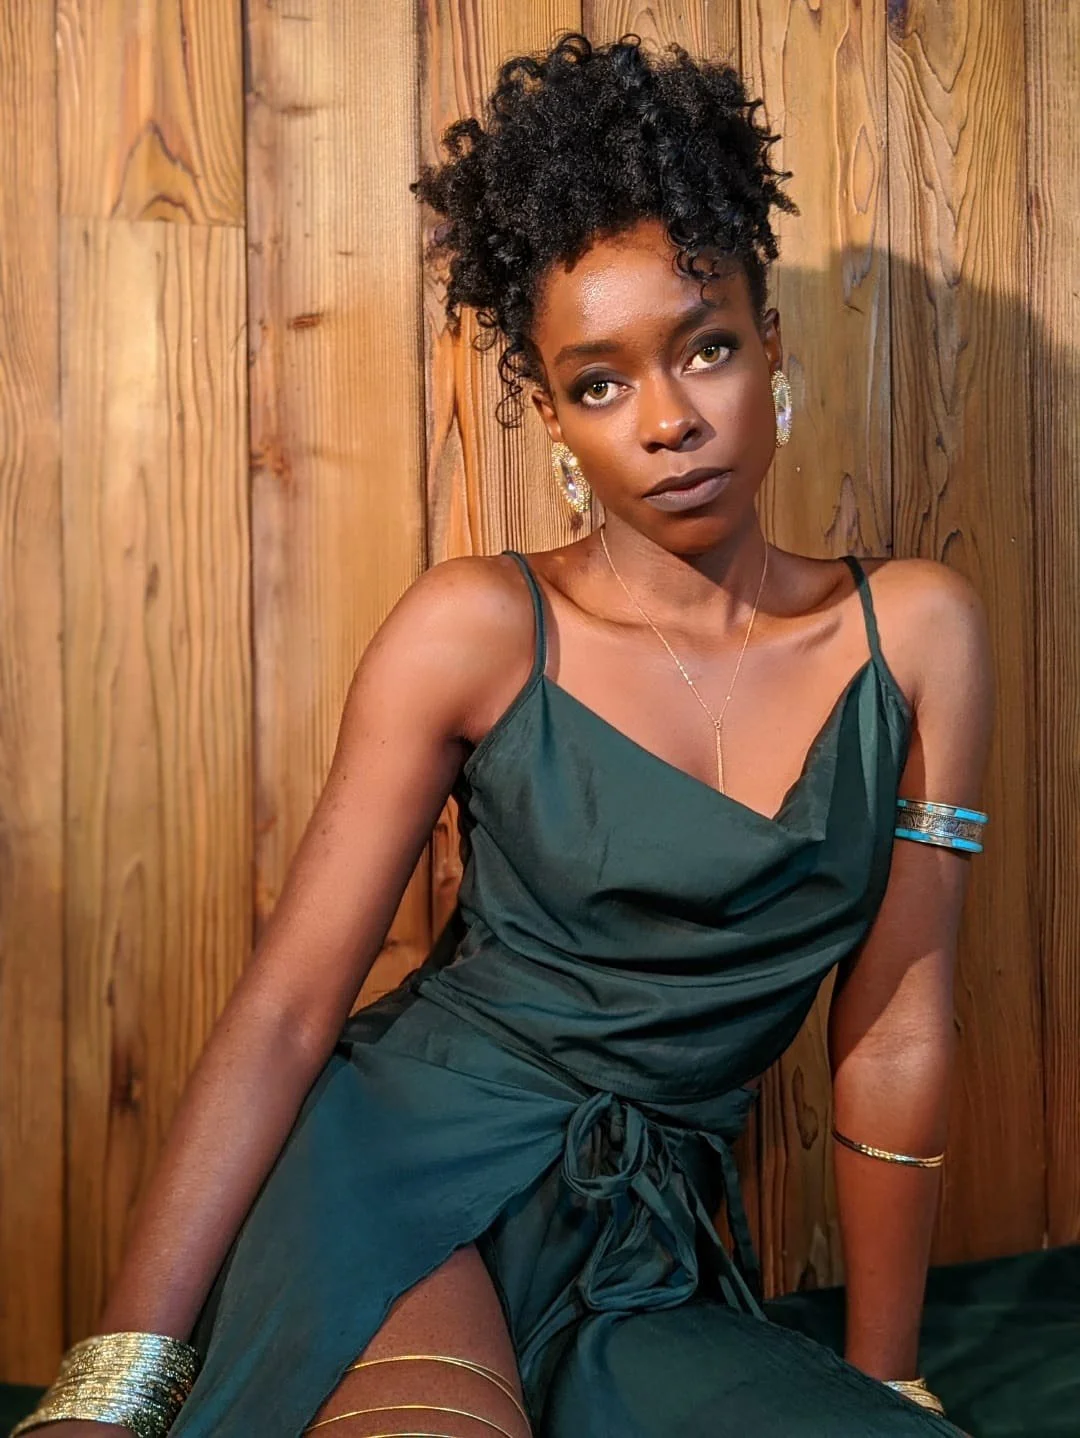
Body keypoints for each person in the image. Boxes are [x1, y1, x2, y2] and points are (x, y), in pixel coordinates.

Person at [15, 31, 994, 1438]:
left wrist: (890, 1378)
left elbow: (896, 1026)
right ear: (547, 411)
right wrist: (112, 1385)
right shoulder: (478, 626)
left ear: (771, 344)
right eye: (600, 382)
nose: (668, 420)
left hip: (637, 1246)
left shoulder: (917, 632)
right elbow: (288, 1011)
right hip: (396, 1168)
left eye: (706, 347)